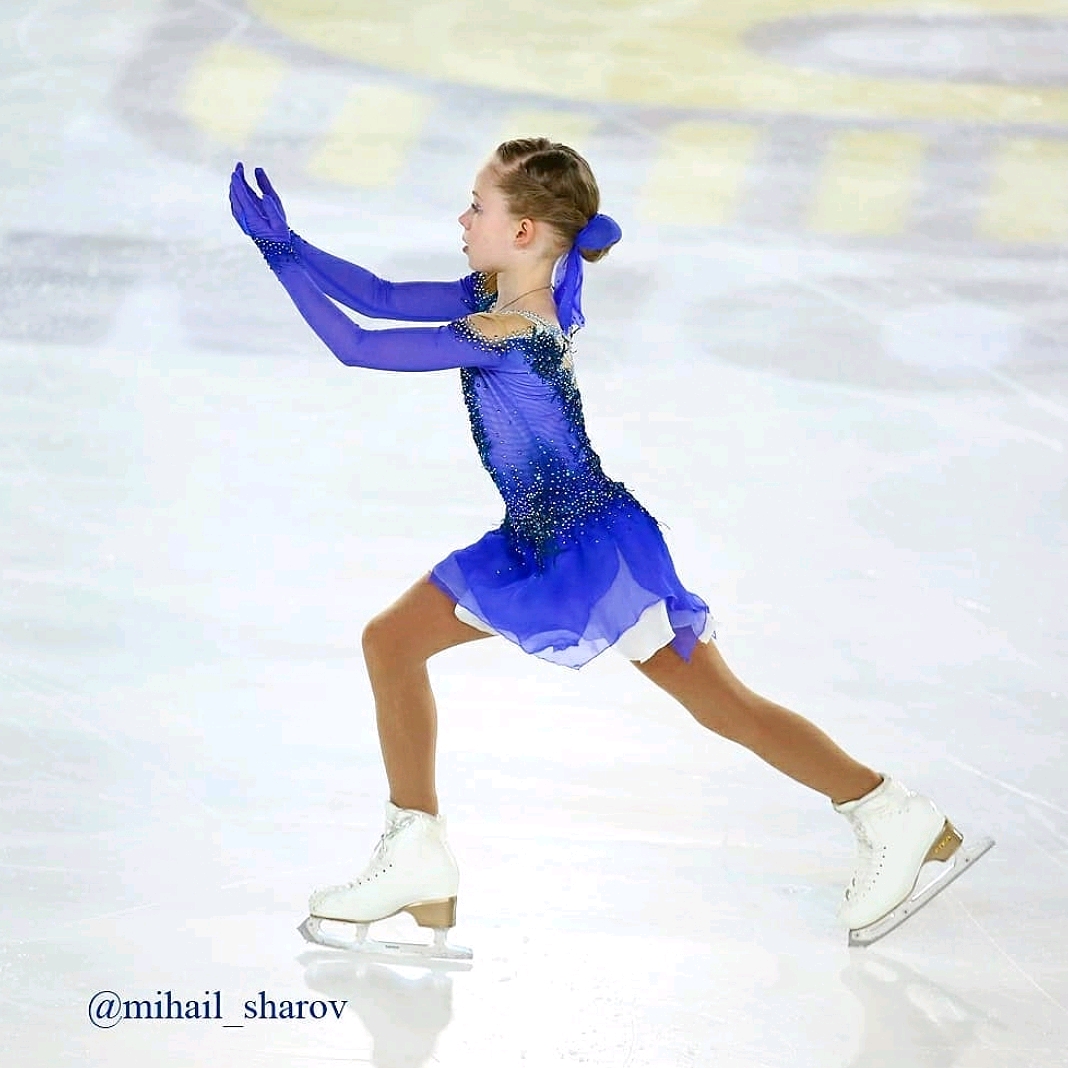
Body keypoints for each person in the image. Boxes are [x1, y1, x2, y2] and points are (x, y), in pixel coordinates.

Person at [228, 140, 990, 955]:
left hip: (595, 554)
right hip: (533, 540)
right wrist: (290, 241)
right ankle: (416, 853)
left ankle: (890, 811)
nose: (461, 217)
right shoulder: (494, 295)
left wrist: (276, 256)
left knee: (721, 705)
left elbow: (361, 342)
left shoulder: (507, 329)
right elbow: (378, 295)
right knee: (392, 641)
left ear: (524, 232)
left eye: (476, 206)